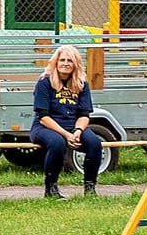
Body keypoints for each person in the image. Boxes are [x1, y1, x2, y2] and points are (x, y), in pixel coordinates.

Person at [28, 45, 103, 199]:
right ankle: (51, 188)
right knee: (57, 143)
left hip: (73, 126)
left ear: (76, 64)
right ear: (56, 62)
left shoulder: (81, 83)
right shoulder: (44, 82)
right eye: (62, 60)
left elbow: (84, 114)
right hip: (45, 127)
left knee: (95, 143)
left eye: (70, 60)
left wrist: (77, 132)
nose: (66, 63)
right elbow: (43, 116)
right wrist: (66, 135)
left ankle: (90, 187)